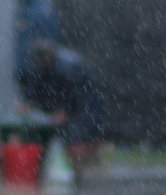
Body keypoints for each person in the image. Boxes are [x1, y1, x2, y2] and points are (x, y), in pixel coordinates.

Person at [16, 37, 108, 183]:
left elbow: (75, 92)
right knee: (69, 138)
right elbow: (34, 84)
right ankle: (78, 168)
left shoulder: (67, 67)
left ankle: (82, 169)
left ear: (48, 57)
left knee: (78, 138)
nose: (39, 65)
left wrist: (64, 109)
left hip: (85, 104)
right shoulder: (40, 67)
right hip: (67, 104)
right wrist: (27, 102)